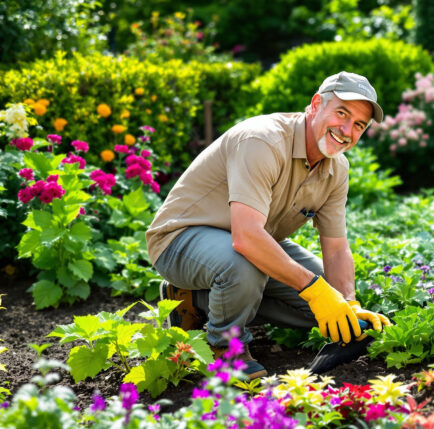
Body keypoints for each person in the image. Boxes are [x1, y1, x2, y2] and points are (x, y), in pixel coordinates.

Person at [146, 71, 391, 379]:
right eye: (341, 113)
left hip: (250, 244)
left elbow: (337, 246)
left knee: (330, 313)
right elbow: (247, 238)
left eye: (359, 125)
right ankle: (225, 349)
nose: (347, 130)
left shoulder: (336, 168)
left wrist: (348, 303)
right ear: (316, 104)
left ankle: (192, 302)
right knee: (246, 268)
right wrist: (315, 291)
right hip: (181, 240)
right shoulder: (262, 140)